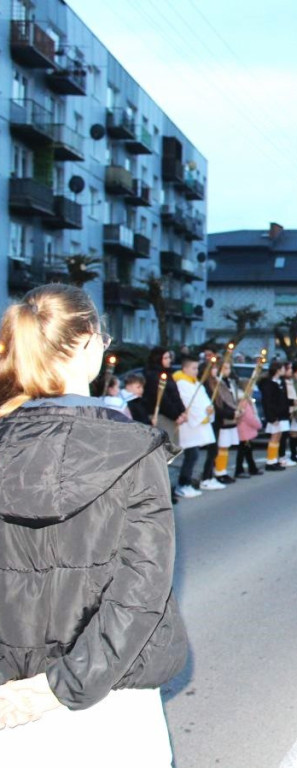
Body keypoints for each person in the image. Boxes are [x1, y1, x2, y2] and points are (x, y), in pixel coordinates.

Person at [0, 284, 187, 764]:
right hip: (111, 697)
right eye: (103, 340)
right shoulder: (133, 448)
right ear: (87, 343)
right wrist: (64, 684)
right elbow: (141, 591)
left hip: (9, 699)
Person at [173, 354, 216, 498]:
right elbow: (188, 404)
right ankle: (183, 484)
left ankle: (187, 483)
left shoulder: (196, 383)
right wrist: (202, 414)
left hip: (197, 424)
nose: (196, 371)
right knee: (191, 455)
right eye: (193, 368)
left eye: (197, 368)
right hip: (189, 425)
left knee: (193, 455)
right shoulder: (181, 383)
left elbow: (203, 400)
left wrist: (209, 409)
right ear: (185, 369)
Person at [258, 360, 291, 472]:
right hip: (275, 415)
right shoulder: (268, 384)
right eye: (282, 368)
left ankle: (274, 459)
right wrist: (271, 417)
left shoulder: (281, 382)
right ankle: (270, 461)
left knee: (278, 437)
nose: (284, 370)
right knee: (274, 437)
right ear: (277, 370)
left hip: (282, 414)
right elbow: (267, 402)